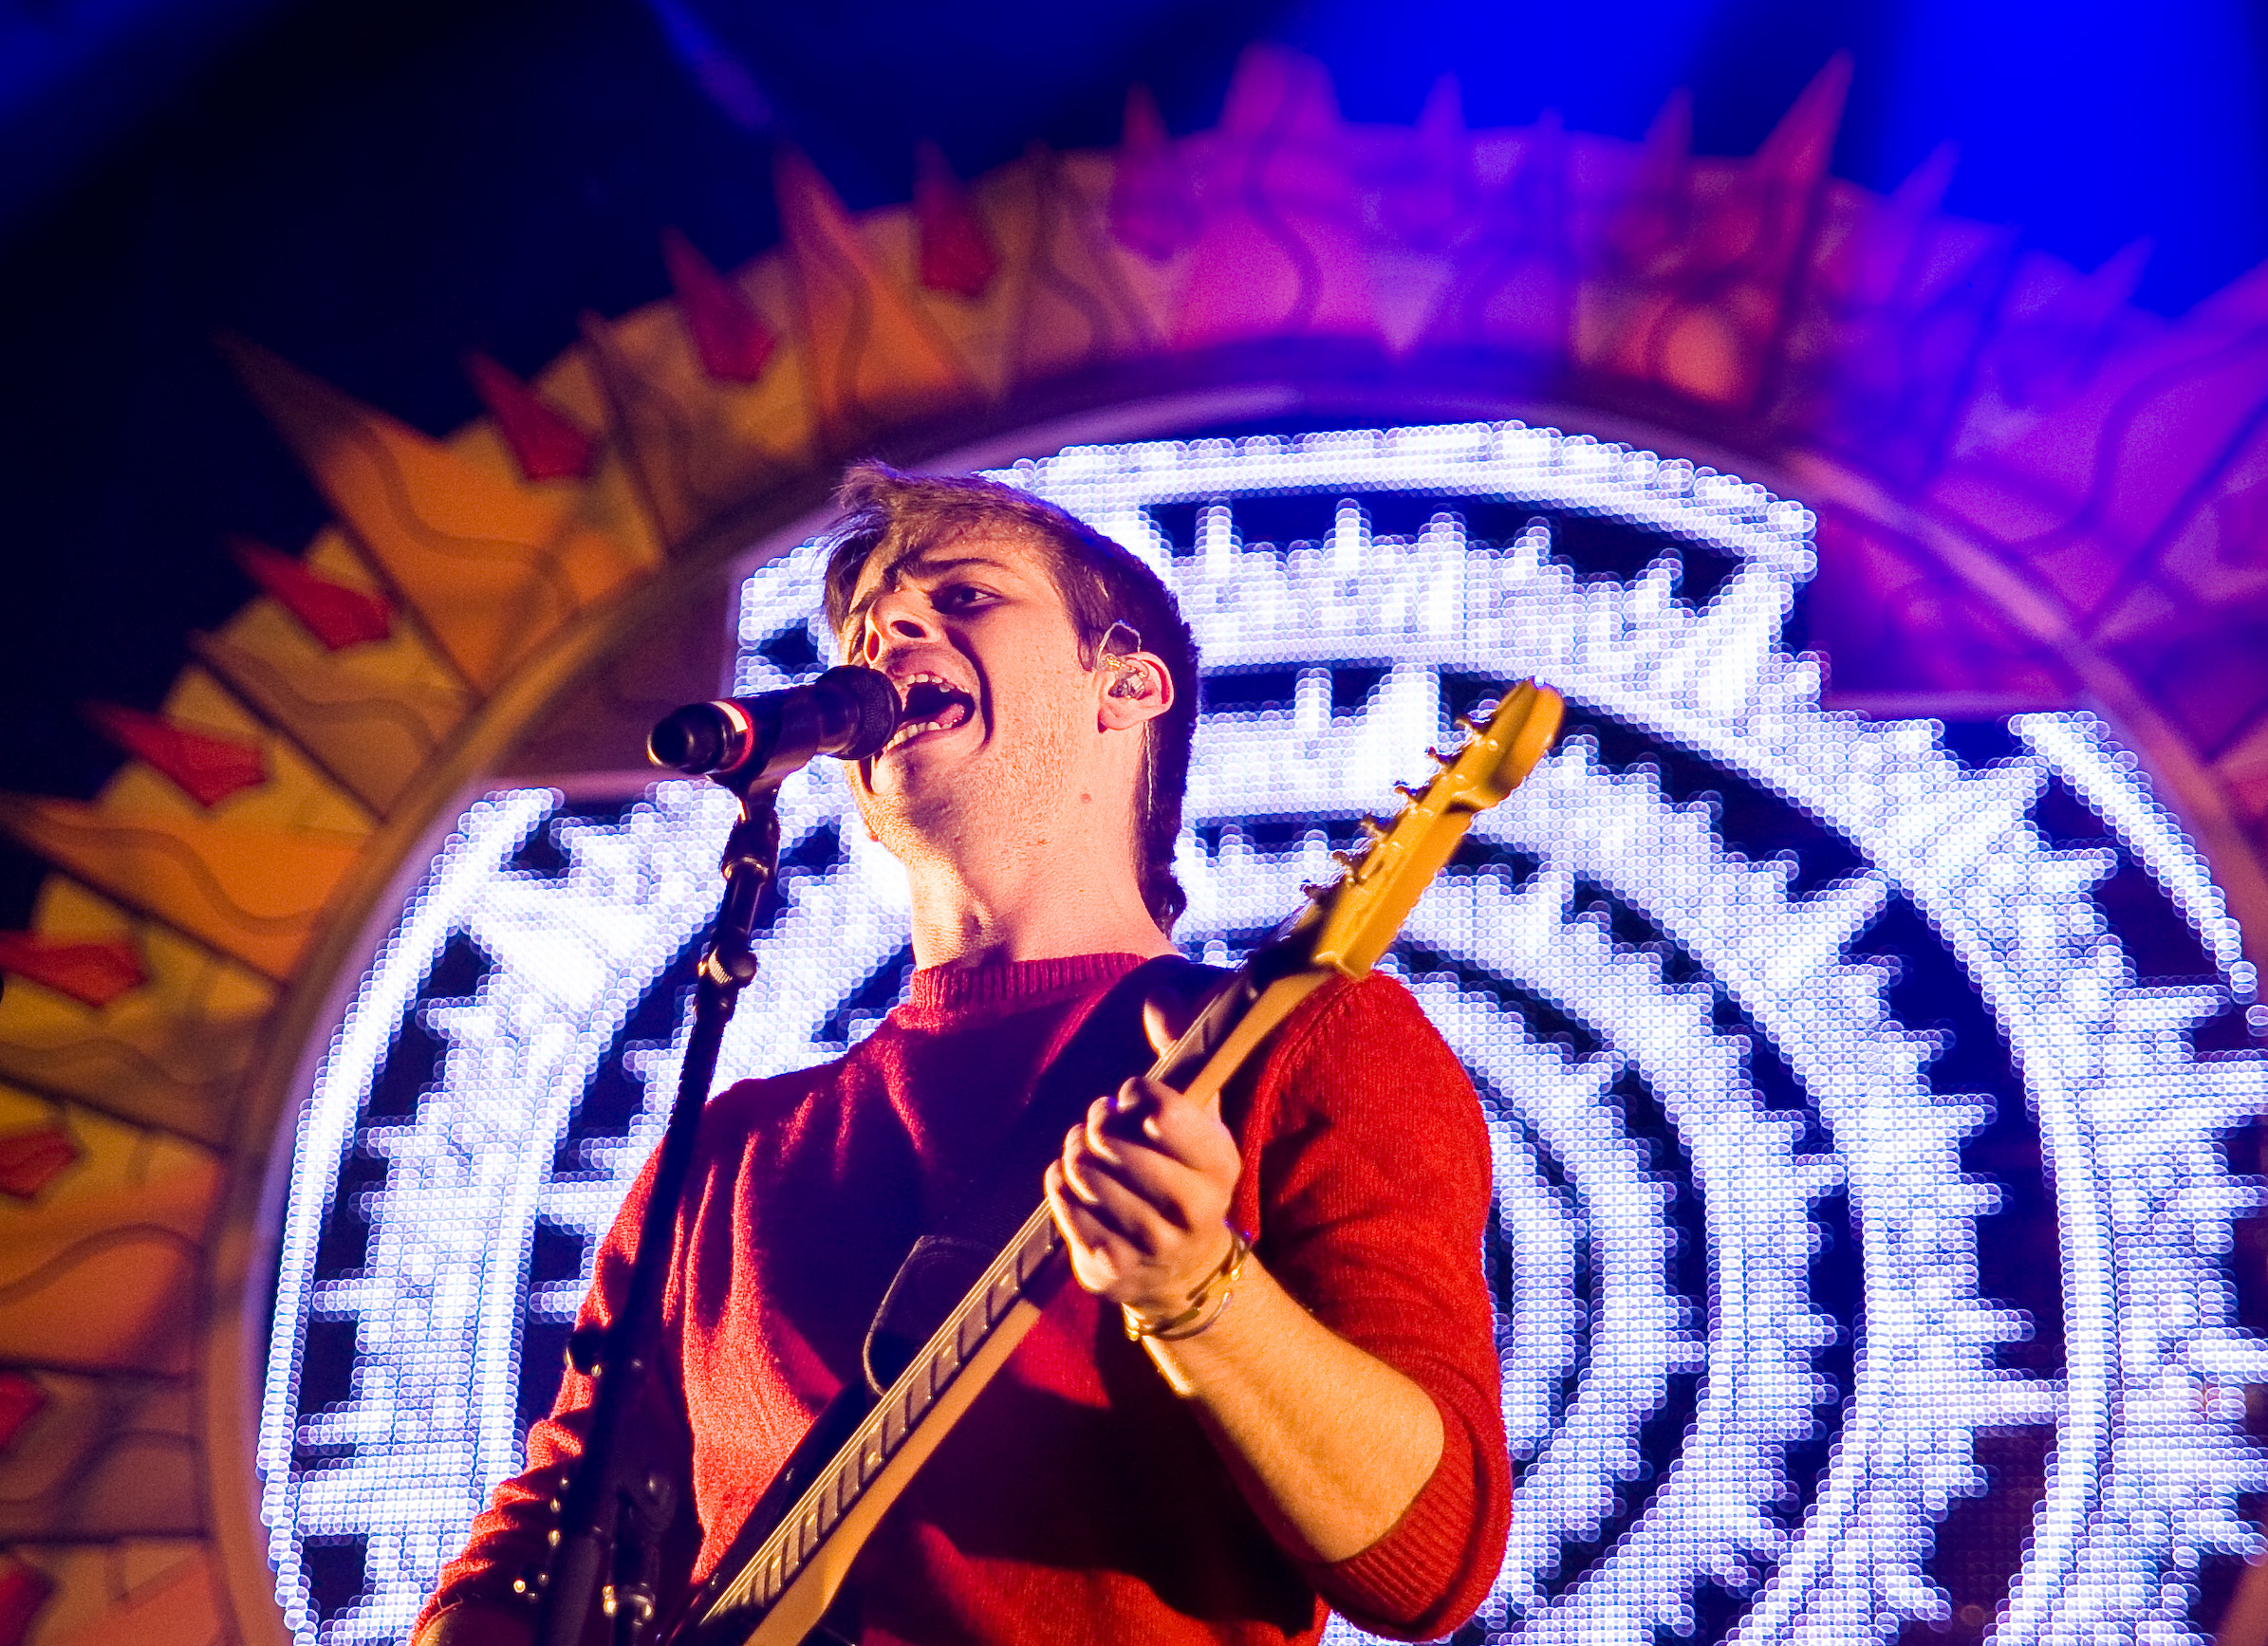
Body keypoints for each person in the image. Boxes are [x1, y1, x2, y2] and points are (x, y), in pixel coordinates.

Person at [416, 464, 1512, 1646]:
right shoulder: (729, 1152)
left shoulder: (1295, 1042)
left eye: (967, 595)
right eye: (865, 621)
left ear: (1126, 687)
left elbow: (1433, 1557)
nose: (889, 627)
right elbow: (544, 1534)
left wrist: (1201, 1293)